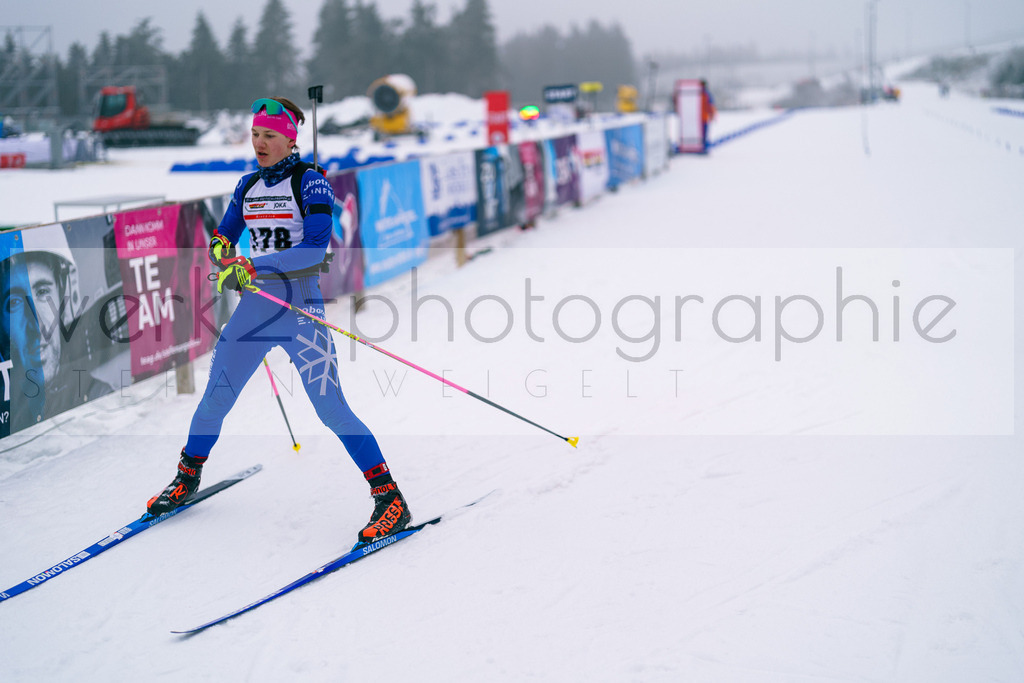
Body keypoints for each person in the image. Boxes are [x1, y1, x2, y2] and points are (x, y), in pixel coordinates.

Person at [146, 97, 412, 546]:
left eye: (269, 135)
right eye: (254, 134)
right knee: (216, 398)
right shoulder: (248, 185)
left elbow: (315, 250)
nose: (259, 143)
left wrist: (253, 266)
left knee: (330, 407)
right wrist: (222, 253)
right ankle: (186, 477)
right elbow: (223, 234)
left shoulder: (310, 183)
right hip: (255, 310)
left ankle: (390, 499)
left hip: (300, 310)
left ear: (291, 138)